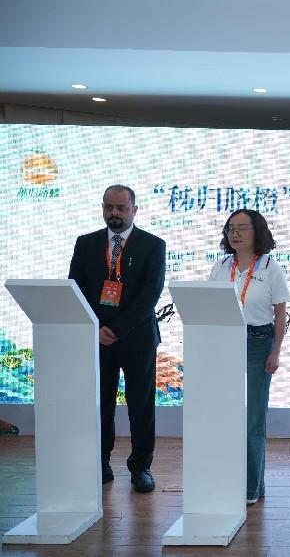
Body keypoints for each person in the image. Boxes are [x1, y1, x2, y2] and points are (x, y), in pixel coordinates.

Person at [68, 184, 166, 492]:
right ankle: (100, 464)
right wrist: (96, 328)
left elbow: (150, 294)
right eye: (109, 207)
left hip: (137, 338)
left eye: (121, 208)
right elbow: (76, 289)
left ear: (134, 210)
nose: (114, 213)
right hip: (96, 337)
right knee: (100, 404)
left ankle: (141, 467)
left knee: (141, 405)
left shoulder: (153, 245)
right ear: (102, 208)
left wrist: (118, 329)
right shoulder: (86, 243)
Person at [208, 209, 290, 505]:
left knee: (253, 420)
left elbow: (280, 314)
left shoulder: (270, 267)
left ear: (258, 232)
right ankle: (230, 481)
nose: (235, 233)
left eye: (242, 227)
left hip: (258, 342)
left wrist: (275, 350)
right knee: (226, 415)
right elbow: (210, 306)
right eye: (231, 228)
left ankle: (251, 488)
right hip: (226, 343)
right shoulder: (221, 267)